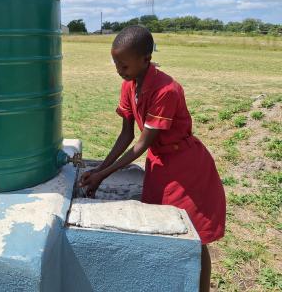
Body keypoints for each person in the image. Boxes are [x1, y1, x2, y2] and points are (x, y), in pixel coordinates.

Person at [79, 25, 226, 292]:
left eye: (123, 64)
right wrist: (100, 167)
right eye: (115, 63)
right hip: (160, 165)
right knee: (162, 230)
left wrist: (103, 175)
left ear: (145, 59)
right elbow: (126, 135)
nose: (118, 70)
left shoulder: (166, 90)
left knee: (193, 236)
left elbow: (142, 144)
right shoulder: (129, 84)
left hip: (186, 168)